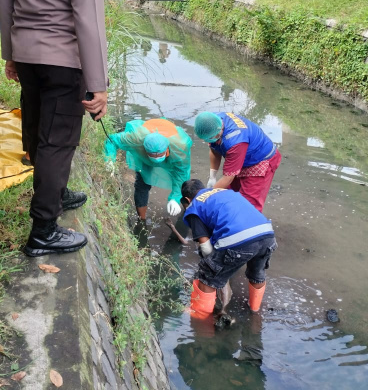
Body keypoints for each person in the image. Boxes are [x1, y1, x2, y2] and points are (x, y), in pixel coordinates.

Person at [0, 0, 108, 257]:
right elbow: (89, 18)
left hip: (26, 55)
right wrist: (98, 84)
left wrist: (10, 54)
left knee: (37, 128)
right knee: (57, 141)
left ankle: (55, 194)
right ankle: (43, 229)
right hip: (63, 59)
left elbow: (5, 2)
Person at [181, 179, 277, 321]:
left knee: (207, 276)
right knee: (257, 273)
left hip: (239, 240)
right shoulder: (225, 192)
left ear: (187, 199)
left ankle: (199, 316)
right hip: (267, 234)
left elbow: (206, 247)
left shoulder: (194, 206)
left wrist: (213, 266)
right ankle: (255, 309)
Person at [103, 118, 192, 221]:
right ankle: (142, 219)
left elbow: (181, 175)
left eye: (160, 155)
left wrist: (175, 198)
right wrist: (109, 160)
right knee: (142, 183)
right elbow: (112, 140)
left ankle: (189, 213)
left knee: (184, 186)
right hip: (144, 157)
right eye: (153, 155)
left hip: (170, 153)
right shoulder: (135, 138)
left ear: (167, 149)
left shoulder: (180, 148)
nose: (156, 158)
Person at [193, 111, 282, 212]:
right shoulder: (212, 121)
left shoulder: (234, 141)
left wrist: (205, 196)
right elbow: (214, 150)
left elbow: (228, 178)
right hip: (242, 155)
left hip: (260, 160)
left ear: (218, 132)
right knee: (228, 193)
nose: (208, 142)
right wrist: (212, 176)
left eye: (210, 139)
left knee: (248, 204)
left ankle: (248, 224)